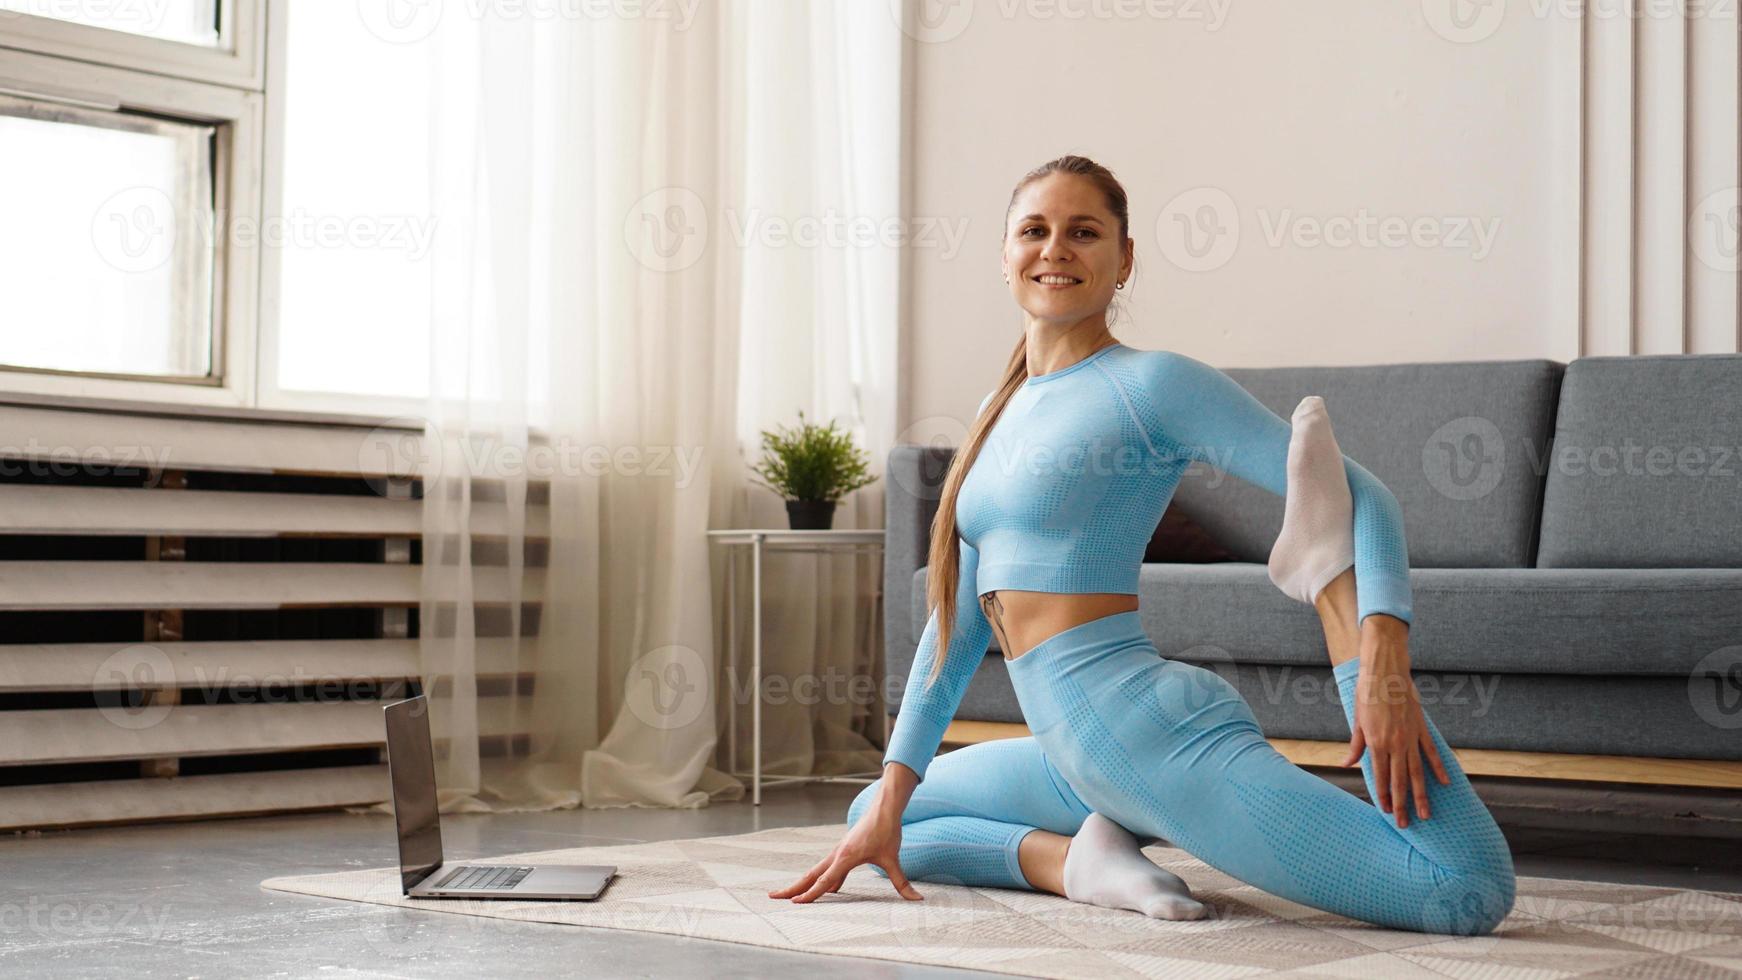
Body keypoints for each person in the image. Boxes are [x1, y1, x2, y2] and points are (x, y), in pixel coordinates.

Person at [769, 155, 1516, 936]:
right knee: (878, 811)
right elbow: (954, 630)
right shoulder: (998, 409)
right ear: (1005, 255)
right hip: (1070, 758)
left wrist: (1382, 664)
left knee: (1463, 894)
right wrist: (895, 782)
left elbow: (1366, 495)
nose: (1056, 248)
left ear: (1123, 260)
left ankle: (1327, 588)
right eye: (1035, 230)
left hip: (1152, 739)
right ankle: (1079, 865)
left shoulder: (1152, 385)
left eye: (1083, 232)